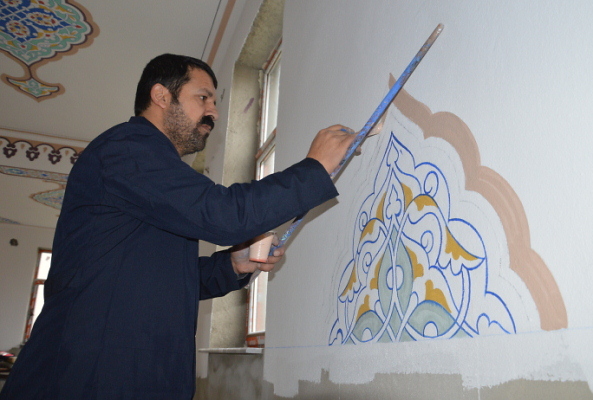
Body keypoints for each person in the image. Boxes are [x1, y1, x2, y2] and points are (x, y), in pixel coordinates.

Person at [0, 54, 357, 399]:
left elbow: (163, 277)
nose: (214, 112)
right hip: (87, 376)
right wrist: (314, 168)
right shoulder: (127, 148)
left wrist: (232, 265)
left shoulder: (149, 176)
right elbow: (223, 214)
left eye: (214, 102)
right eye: (203, 97)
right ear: (161, 96)